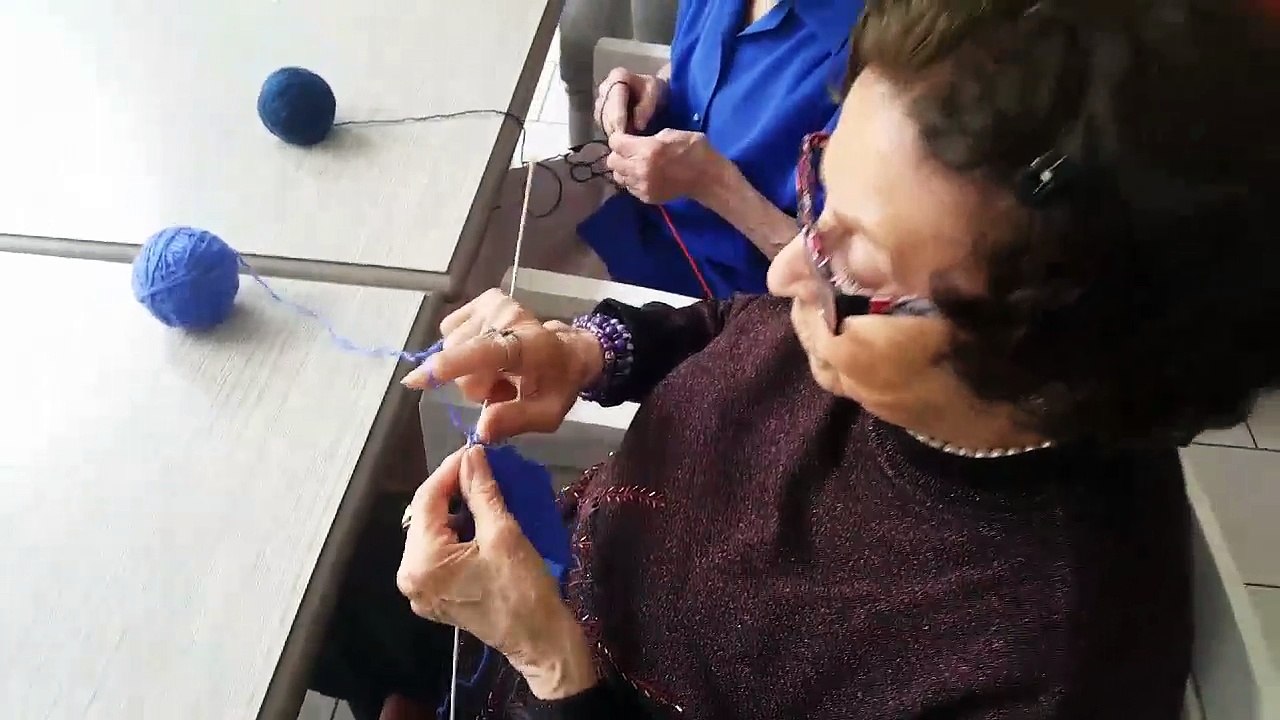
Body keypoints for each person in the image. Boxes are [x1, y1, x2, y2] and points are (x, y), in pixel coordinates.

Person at [312, 1, 1280, 718]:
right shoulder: (871, 333)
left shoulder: (1038, 664)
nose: (786, 267)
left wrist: (551, 668)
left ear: (1054, 358)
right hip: (541, 594)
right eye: (820, 192)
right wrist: (585, 349)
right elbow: (736, 326)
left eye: (851, 258)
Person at [470, 0, 864, 302]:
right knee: (468, 232)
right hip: (630, 203)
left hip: (709, 291)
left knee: (459, 297)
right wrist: (655, 90)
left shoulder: (873, 64)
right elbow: (701, 69)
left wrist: (713, 183)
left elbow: (843, 291)